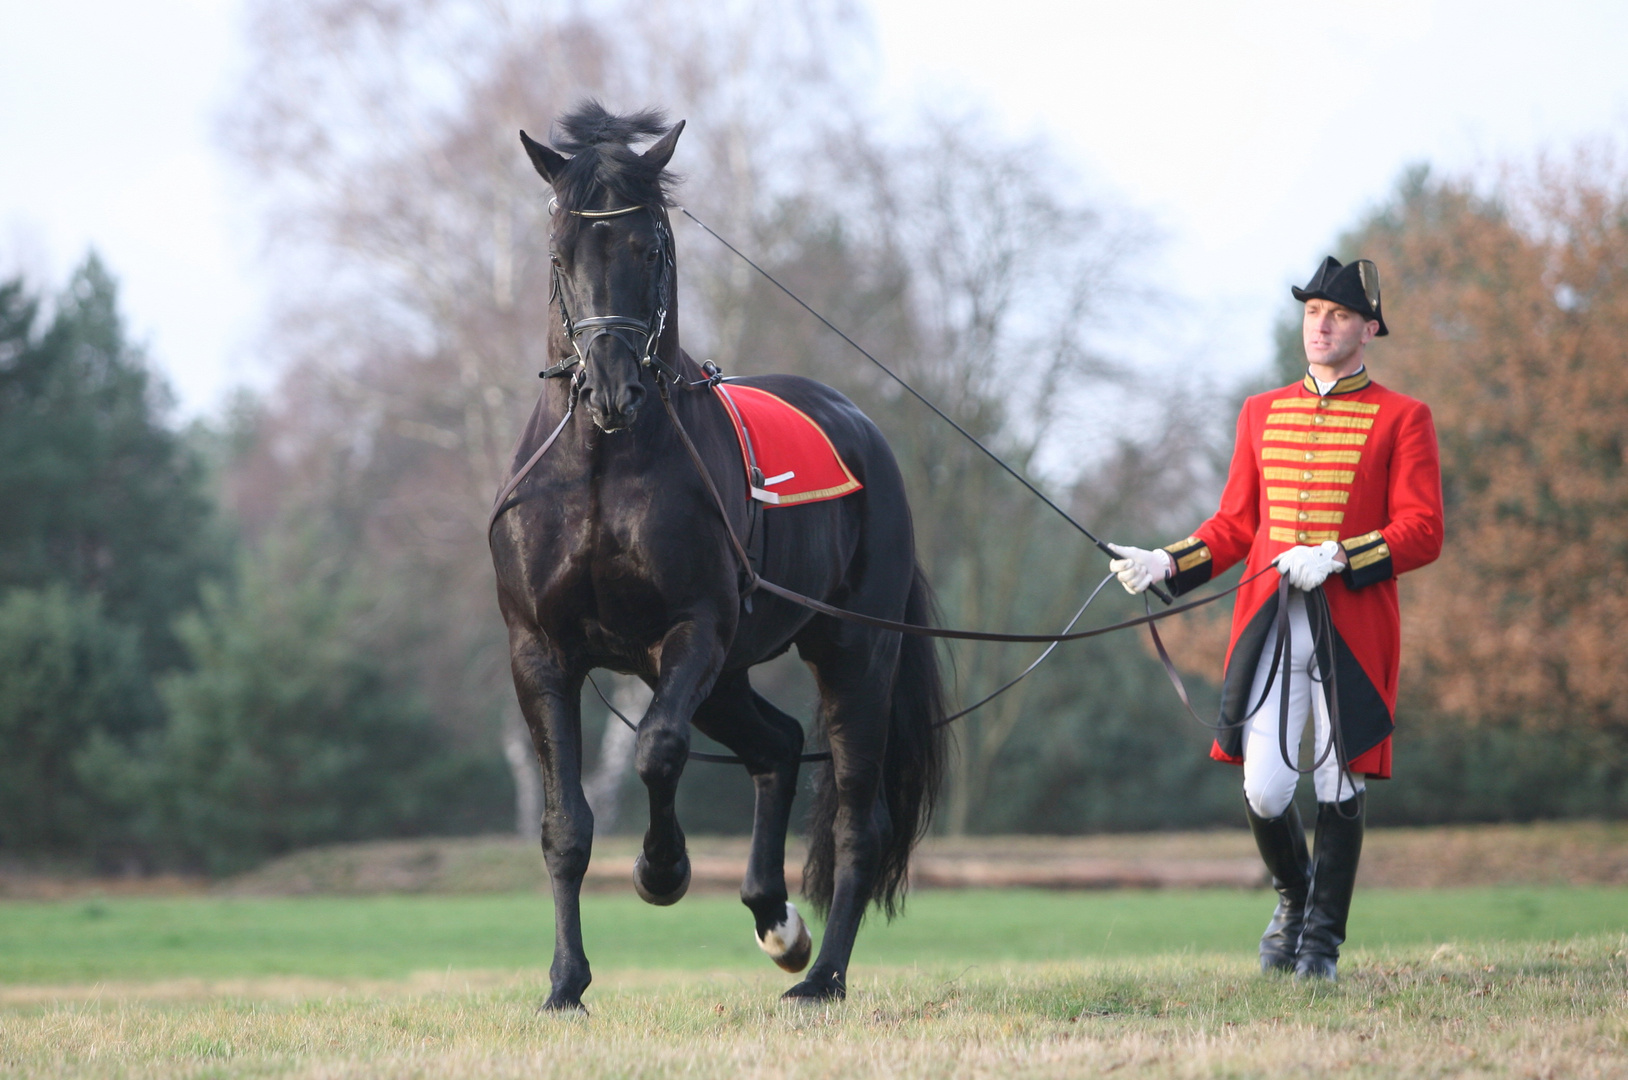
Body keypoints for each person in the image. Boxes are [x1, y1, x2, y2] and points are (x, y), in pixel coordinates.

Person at [1108, 256, 1443, 980]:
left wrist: (1341, 554)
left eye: (1340, 316)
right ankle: (1294, 899)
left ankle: (1320, 943)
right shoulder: (1261, 412)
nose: (1321, 327)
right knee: (1263, 787)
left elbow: (1423, 530)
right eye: (1313, 313)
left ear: (1369, 329)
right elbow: (1234, 525)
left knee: (1338, 779)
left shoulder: (1403, 417)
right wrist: (1166, 562)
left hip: (1351, 627)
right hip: (1269, 623)